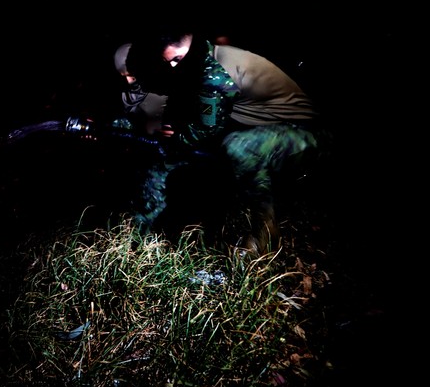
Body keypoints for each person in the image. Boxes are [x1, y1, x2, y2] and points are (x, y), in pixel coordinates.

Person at [114, 26, 332, 255]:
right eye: (168, 61)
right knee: (188, 155)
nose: (173, 66)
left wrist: (177, 140)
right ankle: (139, 230)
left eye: (176, 59)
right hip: (274, 131)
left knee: (237, 146)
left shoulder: (214, 69)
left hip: (309, 137)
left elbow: (207, 128)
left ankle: (264, 235)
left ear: (188, 46)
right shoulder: (204, 56)